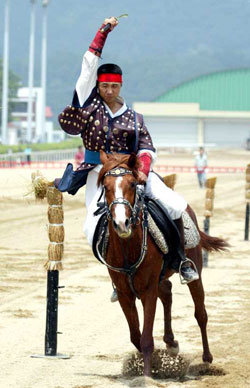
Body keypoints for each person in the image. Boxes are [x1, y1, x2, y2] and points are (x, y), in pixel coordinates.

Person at [55, 17, 199, 300]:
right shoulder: (88, 103)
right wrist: (102, 32)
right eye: (105, 85)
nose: (109, 91)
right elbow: (87, 67)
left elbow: (146, 148)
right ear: (98, 85)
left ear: (121, 87)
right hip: (98, 171)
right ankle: (117, 276)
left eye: (114, 87)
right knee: (92, 224)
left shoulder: (134, 118)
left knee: (174, 204)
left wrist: (143, 171)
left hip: (133, 173)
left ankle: (181, 260)